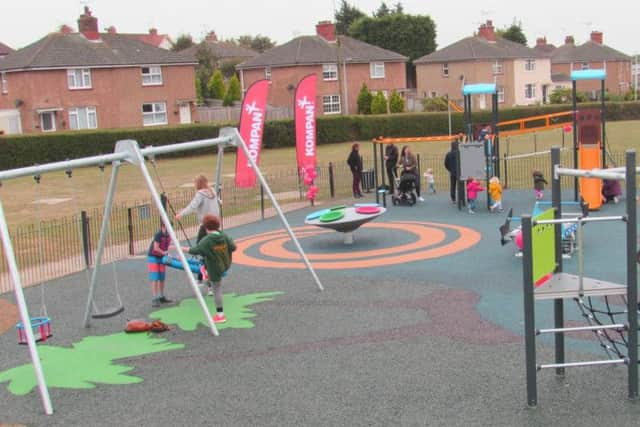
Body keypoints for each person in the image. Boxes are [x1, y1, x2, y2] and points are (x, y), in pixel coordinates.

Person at [177, 214, 236, 324]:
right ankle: (205, 273)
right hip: (225, 264)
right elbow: (233, 247)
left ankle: (220, 315)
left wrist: (180, 248)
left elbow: (195, 250)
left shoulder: (207, 240)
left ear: (206, 227)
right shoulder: (223, 235)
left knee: (217, 289)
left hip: (214, 268)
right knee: (213, 281)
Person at [176, 174, 220, 243]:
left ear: (199, 183)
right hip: (215, 222)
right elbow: (208, 206)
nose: (194, 185)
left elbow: (192, 206)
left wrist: (181, 214)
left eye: (195, 183)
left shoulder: (200, 194)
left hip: (206, 224)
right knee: (213, 243)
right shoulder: (212, 191)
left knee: (199, 245)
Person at [147, 222, 172, 308]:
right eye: (167, 228)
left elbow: (168, 246)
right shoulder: (158, 235)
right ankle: (155, 298)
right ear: (163, 226)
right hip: (153, 257)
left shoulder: (169, 235)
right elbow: (155, 248)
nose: (169, 230)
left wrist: (168, 254)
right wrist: (164, 253)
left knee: (162, 277)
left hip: (162, 257)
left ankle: (161, 296)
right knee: (155, 277)